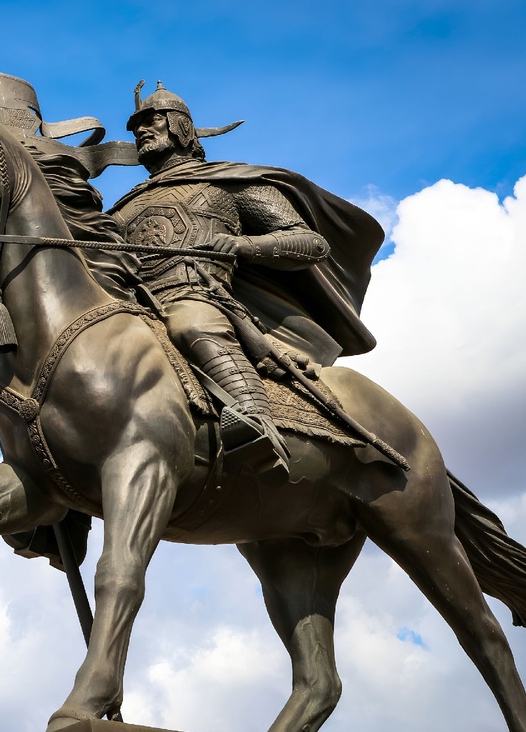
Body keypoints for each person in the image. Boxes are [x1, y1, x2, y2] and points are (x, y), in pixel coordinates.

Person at [109, 81, 385, 470]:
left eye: (152, 120)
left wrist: (244, 246)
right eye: (136, 126)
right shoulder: (123, 207)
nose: (140, 131)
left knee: (192, 324)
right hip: (134, 307)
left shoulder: (227, 182)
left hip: (197, 296)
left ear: (181, 127)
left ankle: (253, 421)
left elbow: (310, 243)